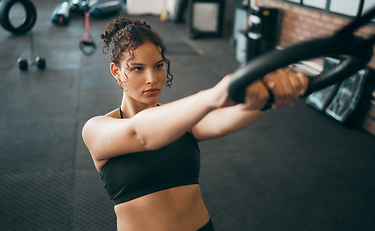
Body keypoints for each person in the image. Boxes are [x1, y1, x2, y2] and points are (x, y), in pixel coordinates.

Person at [82, 16, 309, 231]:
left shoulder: (183, 121)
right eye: (138, 68)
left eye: (159, 66)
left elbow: (224, 121)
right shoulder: (96, 129)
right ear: (116, 72)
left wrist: (266, 98)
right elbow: (140, 133)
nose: (152, 78)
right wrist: (213, 96)